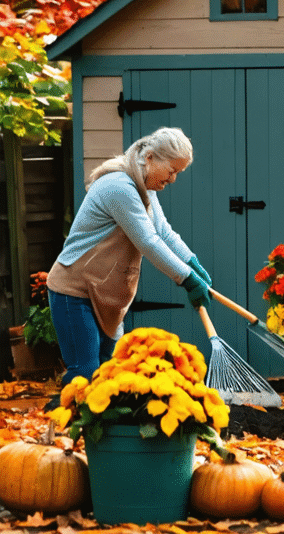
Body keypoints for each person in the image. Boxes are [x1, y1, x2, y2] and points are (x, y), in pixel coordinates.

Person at [46, 127, 213, 390]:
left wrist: (192, 263)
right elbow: (148, 241)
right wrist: (187, 280)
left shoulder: (144, 187)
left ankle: (107, 431)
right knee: (85, 374)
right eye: (171, 171)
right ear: (150, 158)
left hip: (105, 293)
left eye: (178, 173)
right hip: (75, 291)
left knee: (111, 374)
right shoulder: (119, 187)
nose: (173, 179)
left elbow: (164, 233)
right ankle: (69, 429)